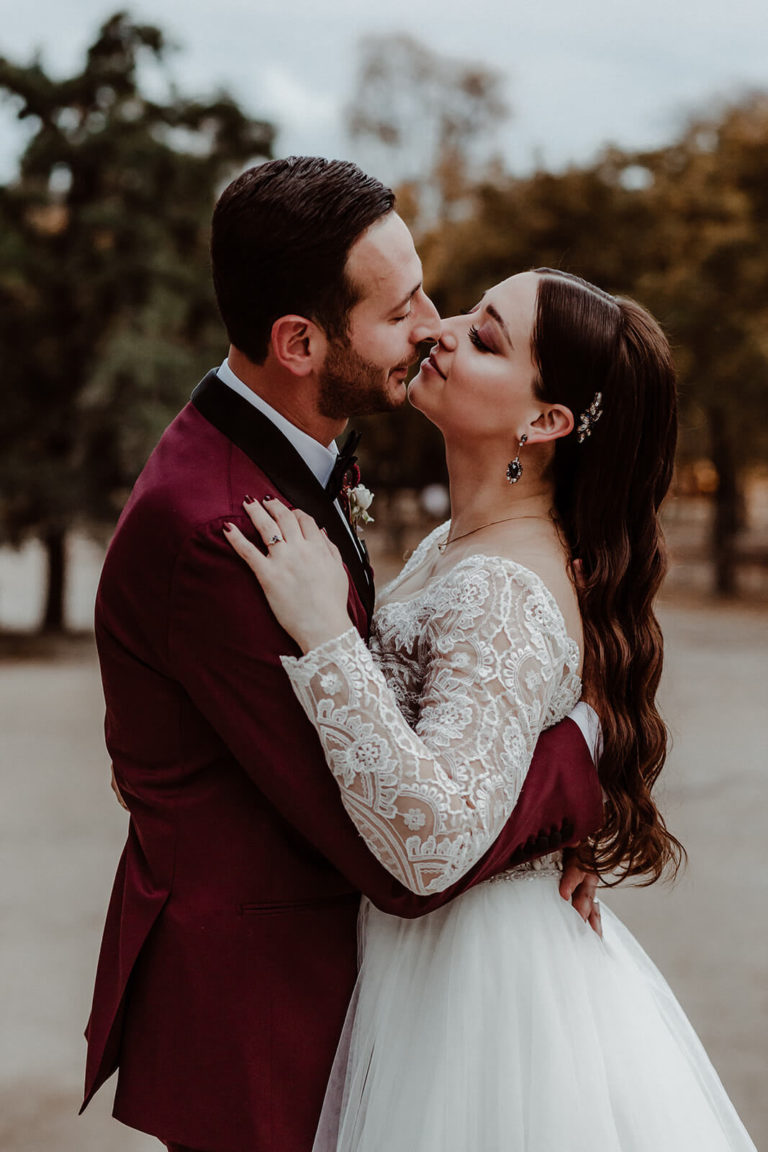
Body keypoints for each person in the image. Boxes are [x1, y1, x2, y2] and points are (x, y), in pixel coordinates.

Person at [81, 158, 605, 1152]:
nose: (432, 327)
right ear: (300, 342)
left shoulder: (287, 459)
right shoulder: (225, 533)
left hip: (338, 1006)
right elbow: (402, 860)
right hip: (264, 1027)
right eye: (401, 310)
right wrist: (579, 761)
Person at [225, 267, 758, 1151]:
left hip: (474, 986)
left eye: (484, 337)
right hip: (435, 958)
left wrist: (325, 637)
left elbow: (434, 841)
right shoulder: (459, 543)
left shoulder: (500, 588)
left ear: (544, 423)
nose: (442, 329)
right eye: (469, 309)